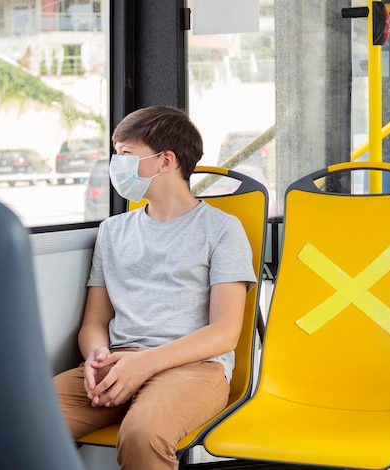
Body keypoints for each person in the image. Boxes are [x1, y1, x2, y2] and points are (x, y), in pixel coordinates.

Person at [54, 105, 257, 469]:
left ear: (165, 161)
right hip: (117, 362)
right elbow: (95, 322)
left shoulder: (223, 231)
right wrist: (98, 356)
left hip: (194, 367)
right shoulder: (112, 231)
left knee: (142, 435)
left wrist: (145, 364)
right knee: (14, 418)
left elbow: (224, 333)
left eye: (127, 156)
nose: (117, 166)